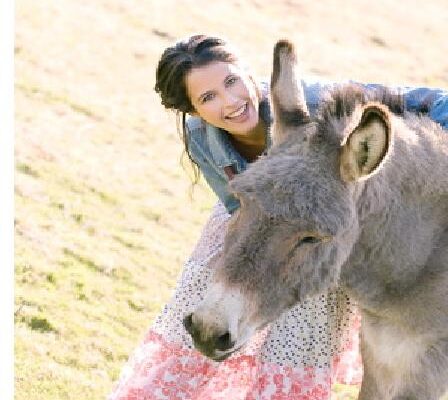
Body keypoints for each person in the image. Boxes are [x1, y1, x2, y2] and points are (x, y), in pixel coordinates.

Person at [108, 35, 448, 400]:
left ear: (249, 74)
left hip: (319, 225)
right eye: (208, 98)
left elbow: (434, 103)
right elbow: (235, 205)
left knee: (303, 335)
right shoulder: (201, 139)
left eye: (231, 82)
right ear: (193, 110)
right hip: (258, 221)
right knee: (198, 296)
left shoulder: (315, 107)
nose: (231, 102)